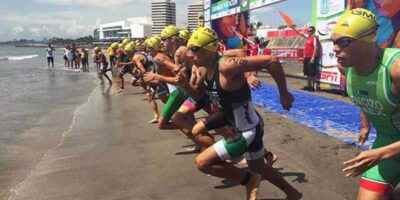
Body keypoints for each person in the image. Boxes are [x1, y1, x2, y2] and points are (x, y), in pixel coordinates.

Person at [186, 27, 301, 200]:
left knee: (202, 162)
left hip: (247, 131)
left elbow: (271, 60)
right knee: (260, 167)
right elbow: (202, 97)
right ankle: (293, 193)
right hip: (240, 121)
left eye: (194, 49)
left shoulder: (226, 66)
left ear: (209, 50)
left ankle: (249, 180)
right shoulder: (203, 70)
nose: (189, 54)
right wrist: (183, 84)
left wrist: (283, 93)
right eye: (189, 49)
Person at [331, 8, 400, 200]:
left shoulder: (395, 69)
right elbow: (365, 94)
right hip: (387, 143)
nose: (335, 48)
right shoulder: (346, 67)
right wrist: (365, 124)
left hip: (386, 149)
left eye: (344, 41)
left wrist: (382, 153)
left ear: (367, 41)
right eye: (334, 42)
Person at [290, 25, 321, 91]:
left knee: (312, 73)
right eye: (308, 31)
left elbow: (316, 48)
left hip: (311, 57)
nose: (308, 32)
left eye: (310, 31)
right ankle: (308, 86)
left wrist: (313, 57)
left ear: (313, 31)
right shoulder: (308, 37)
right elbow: (300, 33)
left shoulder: (314, 38)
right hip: (306, 57)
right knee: (307, 72)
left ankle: (313, 87)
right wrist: (294, 28)